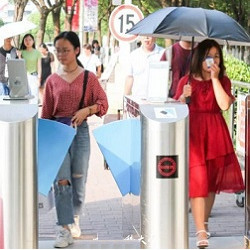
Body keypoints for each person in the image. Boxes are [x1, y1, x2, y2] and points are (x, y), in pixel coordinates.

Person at [174, 39, 244, 248]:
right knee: (198, 182)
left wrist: (214, 79)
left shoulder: (224, 81)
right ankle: (200, 231)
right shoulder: (186, 81)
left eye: (216, 55)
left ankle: (203, 222)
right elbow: (177, 110)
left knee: (211, 183)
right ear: (199, 57)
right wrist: (182, 98)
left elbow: (223, 104)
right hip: (194, 134)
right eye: (208, 55)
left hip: (215, 134)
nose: (212, 59)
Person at [41, 31, 108, 248]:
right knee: (61, 182)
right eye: (58, 50)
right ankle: (64, 228)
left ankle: (75, 216)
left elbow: (103, 103)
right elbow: (47, 114)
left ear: (77, 50)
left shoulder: (88, 78)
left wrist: (86, 110)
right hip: (58, 133)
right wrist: (45, 142)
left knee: (78, 179)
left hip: (80, 133)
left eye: (66, 50)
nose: (61, 54)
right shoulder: (52, 81)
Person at [19, 33, 42, 99]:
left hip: (34, 77)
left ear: (33, 41)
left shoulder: (37, 52)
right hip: (24, 77)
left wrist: (39, 79)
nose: (27, 41)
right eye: (25, 40)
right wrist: (19, 56)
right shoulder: (21, 52)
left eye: (30, 40)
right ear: (23, 41)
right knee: (25, 98)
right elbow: (20, 66)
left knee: (34, 97)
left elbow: (39, 67)